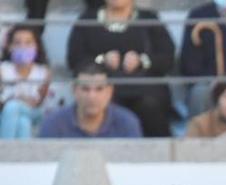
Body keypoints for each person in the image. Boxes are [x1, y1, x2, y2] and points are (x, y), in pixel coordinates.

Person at [66, 0, 175, 136]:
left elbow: (167, 57)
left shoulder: (149, 18)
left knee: (149, 105)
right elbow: (74, 59)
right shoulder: (87, 20)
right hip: (103, 88)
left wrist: (142, 60)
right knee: (103, 104)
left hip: (145, 87)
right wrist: (101, 60)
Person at [38, 64, 141, 138]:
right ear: (74, 90)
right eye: (85, 89)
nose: (92, 96)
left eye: (99, 89)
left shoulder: (127, 123)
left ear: (110, 91)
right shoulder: (53, 124)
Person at [0, 24, 51, 139]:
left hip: (34, 112)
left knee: (13, 107)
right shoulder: (2, 70)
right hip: (6, 113)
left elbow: (40, 103)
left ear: (36, 46)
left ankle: (3, 152)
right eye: (17, 43)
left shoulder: (43, 72)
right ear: (9, 47)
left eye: (28, 43)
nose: (23, 47)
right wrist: (15, 100)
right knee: (23, 123)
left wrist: (21, 102)